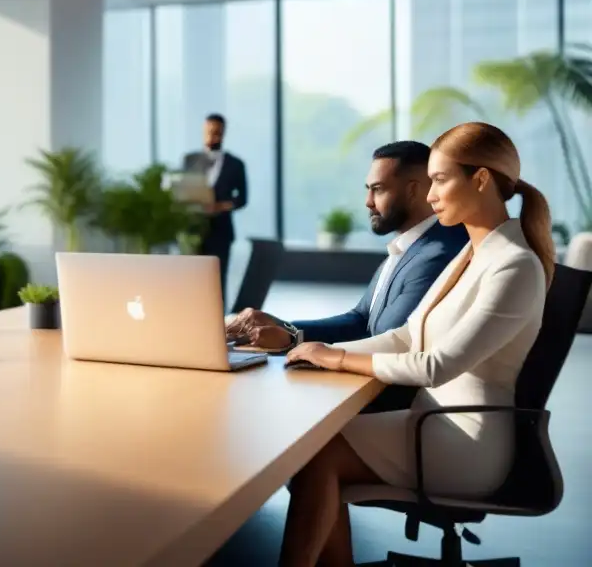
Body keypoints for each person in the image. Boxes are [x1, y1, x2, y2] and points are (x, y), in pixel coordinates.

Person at [277, 122, 553, 567]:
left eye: (440, 180)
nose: (429, 195)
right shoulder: (472, 252)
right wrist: (320, 351)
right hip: (431, 423)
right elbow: (409, 335)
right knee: (311, 451)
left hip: (467, 443)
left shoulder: (514, 266)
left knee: (316, 458)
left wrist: (340, 358)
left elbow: (435, 366)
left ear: (480, 179)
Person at [227, 141, 469, 352]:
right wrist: (279, 325)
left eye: (378, 189)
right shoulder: (408, 247)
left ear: (413, 191)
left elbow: (387, 339)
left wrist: (292, 338)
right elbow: (360, 319)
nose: (368, 202)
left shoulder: (437, 254)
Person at [182, 113, 248, 306]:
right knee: (192, 279)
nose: (213, 136)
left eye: (217, 132)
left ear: (224, 133)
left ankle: (219, 324)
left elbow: (242, 199)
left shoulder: (236, 164)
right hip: (193, 230)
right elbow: (184, 189)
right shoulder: (190, 160)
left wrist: (219, 206)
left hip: (221, 231)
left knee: (218, 281)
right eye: (209, 132)